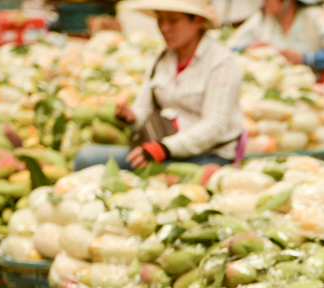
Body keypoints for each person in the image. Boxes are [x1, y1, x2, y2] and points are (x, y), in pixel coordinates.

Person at [73, 0, 244, 172]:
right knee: (86, 158)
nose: (164, 28)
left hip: (207, 155)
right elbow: (143, 110)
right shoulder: (162, 59)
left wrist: (164, 148)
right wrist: (130, 117)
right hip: (160, 149)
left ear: (198, 21)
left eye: (173, 21)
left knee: (171, 178)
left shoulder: (221, 63)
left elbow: (214, 126)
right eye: (160, 20)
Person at [227, 0, 324, 78]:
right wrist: (248, 48)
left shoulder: (313, 17)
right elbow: (229, 48)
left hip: (311, 82)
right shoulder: (261, 18)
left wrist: (303, 58)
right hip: (272, 82)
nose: (264, 2)